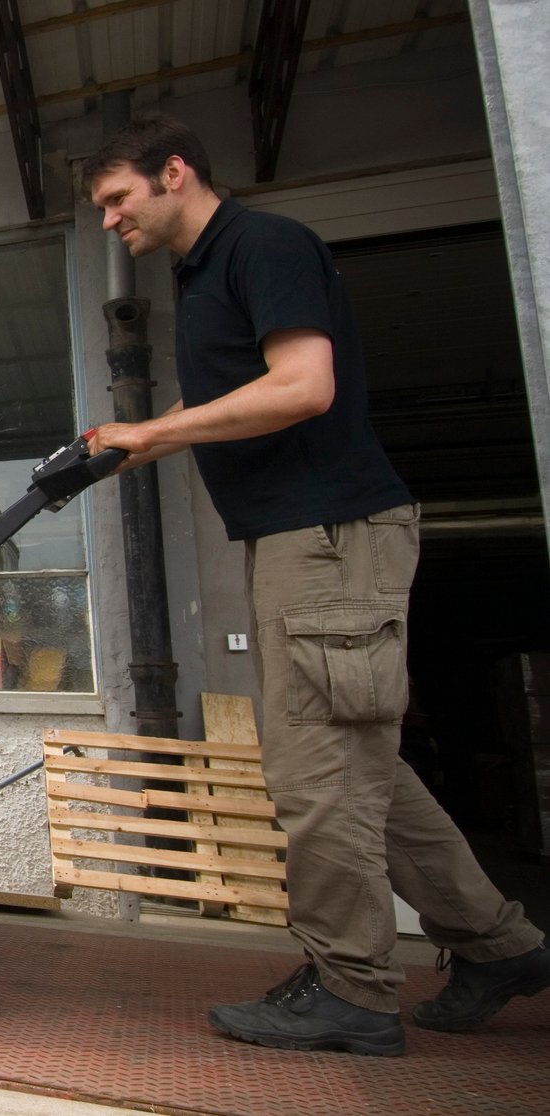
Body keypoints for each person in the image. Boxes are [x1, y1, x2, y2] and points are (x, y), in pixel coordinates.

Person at [79, 114, 550, 1057]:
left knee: (316, 778)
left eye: (117, 199)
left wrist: (159, 435)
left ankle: (353, 993)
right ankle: (501, 947)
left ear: (175, 173)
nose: (108, 222)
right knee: (363, 767)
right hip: (298, 537)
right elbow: (240, 389)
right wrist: (138, 441)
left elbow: (303, 386)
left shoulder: (266, 244)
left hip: (327, 536)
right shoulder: (206, 270)